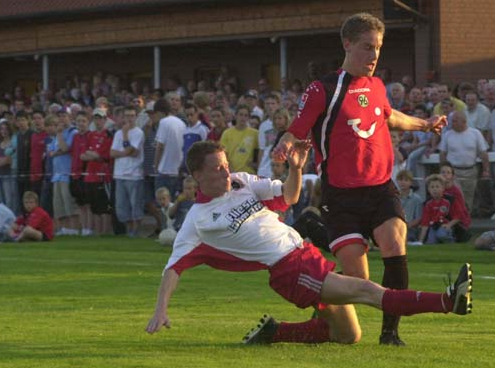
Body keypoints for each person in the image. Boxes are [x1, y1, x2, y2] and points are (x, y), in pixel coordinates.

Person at [145, 140, 471, 345]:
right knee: (366, 290)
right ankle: (447, 302)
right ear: (197, 177)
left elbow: (289, 195)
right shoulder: (197, 220)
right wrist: (160, 309)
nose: (227, 172)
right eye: (218, 169)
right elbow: (173, 268)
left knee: (348, 336)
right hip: (290, 269)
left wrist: (296, 169)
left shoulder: (243, 182)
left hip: (306, 254)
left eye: (226, 164)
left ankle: (276, 332)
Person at [270, 12, 446, 346]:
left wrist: (425, 124)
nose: (374, 55)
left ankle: (390, 333)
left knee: (395, 242)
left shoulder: (376, 87)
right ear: (347, 44)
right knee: (357, 278)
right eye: (367, 47)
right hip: (341, 195)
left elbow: (389, 116)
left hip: (380, 187)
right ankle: (320, 314)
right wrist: (284, 145)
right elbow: (297, 128)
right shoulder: (323, 89)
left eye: (378, 48)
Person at [439, 111, 490, 214]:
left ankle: (466, 219)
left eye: (454, 121)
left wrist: (486, 170)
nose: (451, 123)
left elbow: (483, 153)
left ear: (463, 121)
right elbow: (442, 154)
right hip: (453, 172)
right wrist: (443, 170)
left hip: (470, 171)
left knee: (468, 197)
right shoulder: (447, 134)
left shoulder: (475, 133)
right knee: (454, 195)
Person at [111, 107, 145, 237]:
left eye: (131, 116)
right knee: (121, 205)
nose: (129, 119)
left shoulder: (138, 132)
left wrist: (125, 135)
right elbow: (112, 153)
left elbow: (132, 151)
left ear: (136, 117)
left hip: (134, 174)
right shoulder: (117, 133)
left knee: (135, 204)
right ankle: (129, 229)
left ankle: (136, 231)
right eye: (127, 116)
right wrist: (125, 152)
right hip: (119, 173)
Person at [152, 98, 186, 199]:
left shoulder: (163, 122)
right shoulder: (181, 123)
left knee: (163, 206)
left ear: (158, 112)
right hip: (177, 170)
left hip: (165, 171)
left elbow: (160, 146)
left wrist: (156, 166)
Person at [221, 104, 259, 174]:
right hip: (232, 172)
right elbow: (223, 154)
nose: (243, 118)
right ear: (235, 116)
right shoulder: (227, 133)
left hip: (249, 173)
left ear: (248, 118)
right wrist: (230, 170)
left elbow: (260, 152)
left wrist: (256, 164)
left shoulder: (255, 133)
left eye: (246, 115)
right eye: (240, 115)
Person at [395, 170, 423, 244]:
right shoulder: (394, 198)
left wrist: (407, 226)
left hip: (410, 229)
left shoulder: (417, 199)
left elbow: (418, 218)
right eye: (400, 180)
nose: (403, 182)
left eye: (406, 180)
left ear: (411, 182)